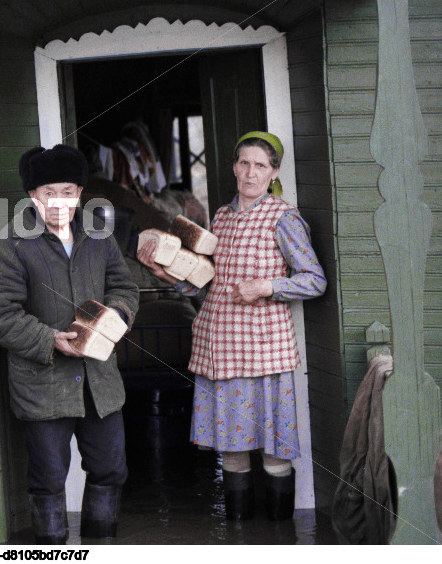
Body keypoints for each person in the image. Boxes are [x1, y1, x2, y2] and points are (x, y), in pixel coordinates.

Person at [137, 131, 326, 521]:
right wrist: (165, 272)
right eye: (244, 163)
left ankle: (278, 539)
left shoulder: (284, 218)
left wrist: (267, 286)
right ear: (234, 167)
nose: (250, 172)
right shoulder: (221, 216)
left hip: (264, 350)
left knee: (274, 450)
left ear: (273, 172)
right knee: (233, 450)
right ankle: (241, 540)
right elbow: (206, 284)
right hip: (220, 348)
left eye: (260, 165)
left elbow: (314, 279)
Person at [0, 144, 139, 543]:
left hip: (99, 382)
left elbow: (123, 284)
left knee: (110, 470)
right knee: (49, 480)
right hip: (43, 384)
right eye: (49, 192)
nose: (59, 201)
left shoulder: (98, 236)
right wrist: (50, 340)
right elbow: (0, 314)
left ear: (80, 192)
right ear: (33, 195)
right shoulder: (13, 243)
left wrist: (116, 315)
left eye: (68, 191)